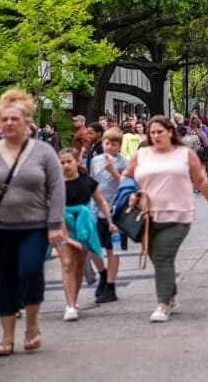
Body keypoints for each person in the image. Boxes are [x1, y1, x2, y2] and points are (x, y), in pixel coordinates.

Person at [121, 115, 208, 322]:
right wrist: (129, 193)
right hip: (147, 216)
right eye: (152, 132)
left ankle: (162, 305)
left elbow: (201, 180)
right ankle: (171, 294)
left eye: (160, 131)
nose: (156, 135)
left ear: (170, 132)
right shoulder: (142, 155)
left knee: (163, 257)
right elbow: (125, 176)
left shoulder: (184, 154)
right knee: (157, 259)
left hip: (178, 215)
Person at [0, 89, 64, 355]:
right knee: (3, 279)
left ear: (27, 122)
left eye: (15, 119)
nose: (9, 124)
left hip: (35, 226)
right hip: (1, 227)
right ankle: (7, 337)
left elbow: (56, 188)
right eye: (4, 120)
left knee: (29, 271)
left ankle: (32, 325)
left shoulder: (43, 152)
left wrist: (55, 224)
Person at [57, 148, 115, 321]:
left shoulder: (87, 182)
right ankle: (70, 305)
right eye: (62, 162)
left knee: (80, 264)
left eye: (68, 161)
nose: (65, 165)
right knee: (67, 263)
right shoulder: (56, 184)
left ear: (77, 162)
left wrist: (111, 221)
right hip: (63, 224)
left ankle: (73, 300)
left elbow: (101, 201)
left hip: (82, 225)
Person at [88, 128, 128, 304]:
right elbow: (91, 182)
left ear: (119, 146)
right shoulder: (95, 160)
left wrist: (113, 171)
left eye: (113, 144)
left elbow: (127, 184)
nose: (109, 146)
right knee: (92, 247)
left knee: (113, 249)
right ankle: (103, 274)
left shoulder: (123, 162)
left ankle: (110, 285)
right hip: (95, 209)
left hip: (115, 210)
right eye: (106, 143)